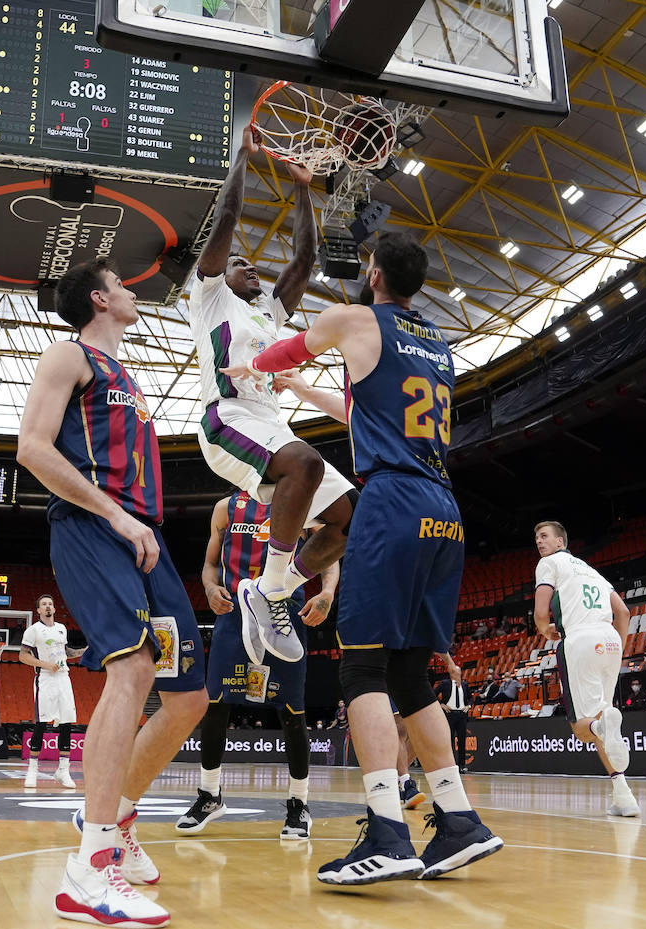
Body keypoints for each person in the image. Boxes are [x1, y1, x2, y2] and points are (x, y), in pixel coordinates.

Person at [226, 231, 502, 884]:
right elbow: (364, 410)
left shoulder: (353, 318)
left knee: (362, 668)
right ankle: (459, 819)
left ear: (373, 274)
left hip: (393, 504)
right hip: (444, 510)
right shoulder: (437, 344)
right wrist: (304, 390)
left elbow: (288, 346)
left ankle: (387, 830)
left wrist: (254, 368)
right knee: (409, 676)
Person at [17, 258, 210, 926]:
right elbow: (32, 448)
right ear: (100, 299)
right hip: (94, 529)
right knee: (131, 669)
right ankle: (89, 869)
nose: (131, 291)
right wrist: (115, 515)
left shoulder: (126, 374)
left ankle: (117, 814)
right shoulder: (68, 356)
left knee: (189, 698)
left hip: (142, 536)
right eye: (121, 283)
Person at [191, 127, 355, 666]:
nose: (249, 265)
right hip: (226, 419)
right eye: (239, 263)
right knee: (305, 463)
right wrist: (242, 157)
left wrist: (303, 188)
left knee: (348, 519)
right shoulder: (209, 299)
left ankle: (270, 591)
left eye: (251, 263)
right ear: (219, 274)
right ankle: (270, 587)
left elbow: (305, 258)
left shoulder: (268, 311)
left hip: (269, 422)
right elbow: (227, 217)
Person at [176, 490, 338, 839]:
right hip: (234, 612)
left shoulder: (301, 501)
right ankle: (209, 795)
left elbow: (329, 554)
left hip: (283, 614)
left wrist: (326, 593)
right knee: (216, 705)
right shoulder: (226, 507)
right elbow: (210, 564)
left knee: (292, 711)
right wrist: (209, 588)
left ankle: (299, 803)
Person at [533, 520, 638, 817]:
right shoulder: (592, 571)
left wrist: (545, 629)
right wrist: (618, 650)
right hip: (610, 640)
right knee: (604, 717)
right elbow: (623, 612)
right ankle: (624, 796)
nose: (539, 542)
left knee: (584, 728)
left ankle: (600, 729)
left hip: (580, 640)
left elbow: (540, 613)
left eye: (544, 536)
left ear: (560, 542)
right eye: (536, 538)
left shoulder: (549, 563)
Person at [20, 594, 85, 789]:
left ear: (54, 609)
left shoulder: (61, 628)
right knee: (41, 723)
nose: (48, 606)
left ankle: (63, 770)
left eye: (50, 604)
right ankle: (32, 770)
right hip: (45, 678)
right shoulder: (33, 630)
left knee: (66, 723)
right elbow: (23, 656)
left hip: (63, 678)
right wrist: (45, 665)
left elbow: (66, 652)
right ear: (38, 610)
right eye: (44, 604)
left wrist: (84, 651)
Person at [435, 654, 471, 771]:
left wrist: (468, 706)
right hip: (449, 715)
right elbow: (433, 694)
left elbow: (470, 698)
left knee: (462, 741)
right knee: (449, 740)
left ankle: (462, 765)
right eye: (454, 672)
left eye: (458, 672)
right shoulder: (445, 683)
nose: (457, 674)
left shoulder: (465, 685)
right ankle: (451, 766)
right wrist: (441, 704)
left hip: (461, 715)